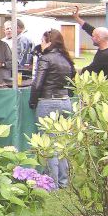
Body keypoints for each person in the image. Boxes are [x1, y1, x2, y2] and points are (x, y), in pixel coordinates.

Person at [29, 29, 75, 188]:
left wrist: (32, 101)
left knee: (47, 143)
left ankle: (51, 182)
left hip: (48, 101)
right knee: (61, 143)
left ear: (49, 42)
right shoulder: (66, 59)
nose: (41, 44)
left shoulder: (45, 59)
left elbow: (37, 83)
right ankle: (63, 181)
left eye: (42, 41)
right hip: (65, 101)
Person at [72, 6, 108, 82]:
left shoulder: (105, 55)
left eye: (93, 36)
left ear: (99, 38)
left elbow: (89, 70)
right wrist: (77, 18)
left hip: (105, 86)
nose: (91, 37)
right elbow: (90, 29)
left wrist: (72, 69)